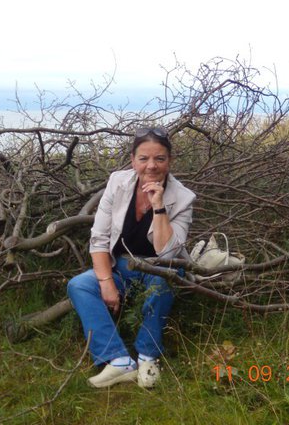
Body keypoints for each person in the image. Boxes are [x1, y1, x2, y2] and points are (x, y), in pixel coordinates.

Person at [67, 127, 195, 388]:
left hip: (160, 269)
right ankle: (118, 361)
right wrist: (106, 282)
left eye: (160, 158)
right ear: (133, 160)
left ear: (169, 161)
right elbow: (99, 238)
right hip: (120, 266)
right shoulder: (118, 182)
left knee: (166, 278)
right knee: (79, 285)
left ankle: (148, 356)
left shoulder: (183, 198)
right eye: (143, 158)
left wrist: (159, 206)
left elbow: (168, 253)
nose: (151, 166)